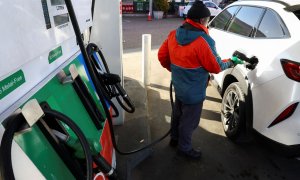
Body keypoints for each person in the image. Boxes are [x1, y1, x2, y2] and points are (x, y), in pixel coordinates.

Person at [158, 0, 237, 160]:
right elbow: (215, 66)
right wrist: (232, 62)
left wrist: (175, 71)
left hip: (178, 86)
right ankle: (184, 148)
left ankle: (174, 139)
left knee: (177, 114)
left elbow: (162, 56)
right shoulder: (203, 41)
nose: (207, 23)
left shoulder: (174, 34)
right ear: (202, 20)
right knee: (189, 122)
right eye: (207, 20)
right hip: (194, 92)